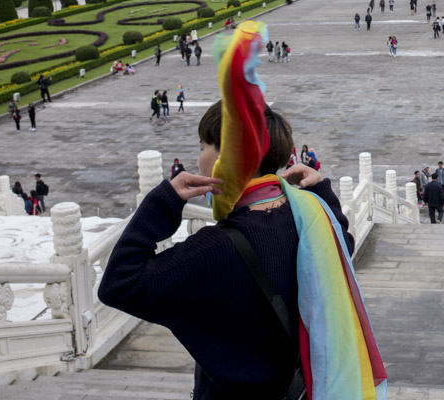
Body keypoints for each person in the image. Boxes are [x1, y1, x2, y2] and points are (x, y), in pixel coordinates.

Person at [99, 93, 382, 398]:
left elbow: (119, 283)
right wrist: (320, 192)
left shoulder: (214, 249)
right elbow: (343, 246)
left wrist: (162, 201)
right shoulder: (308, 219)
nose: (198, 158)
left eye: (203, 147)